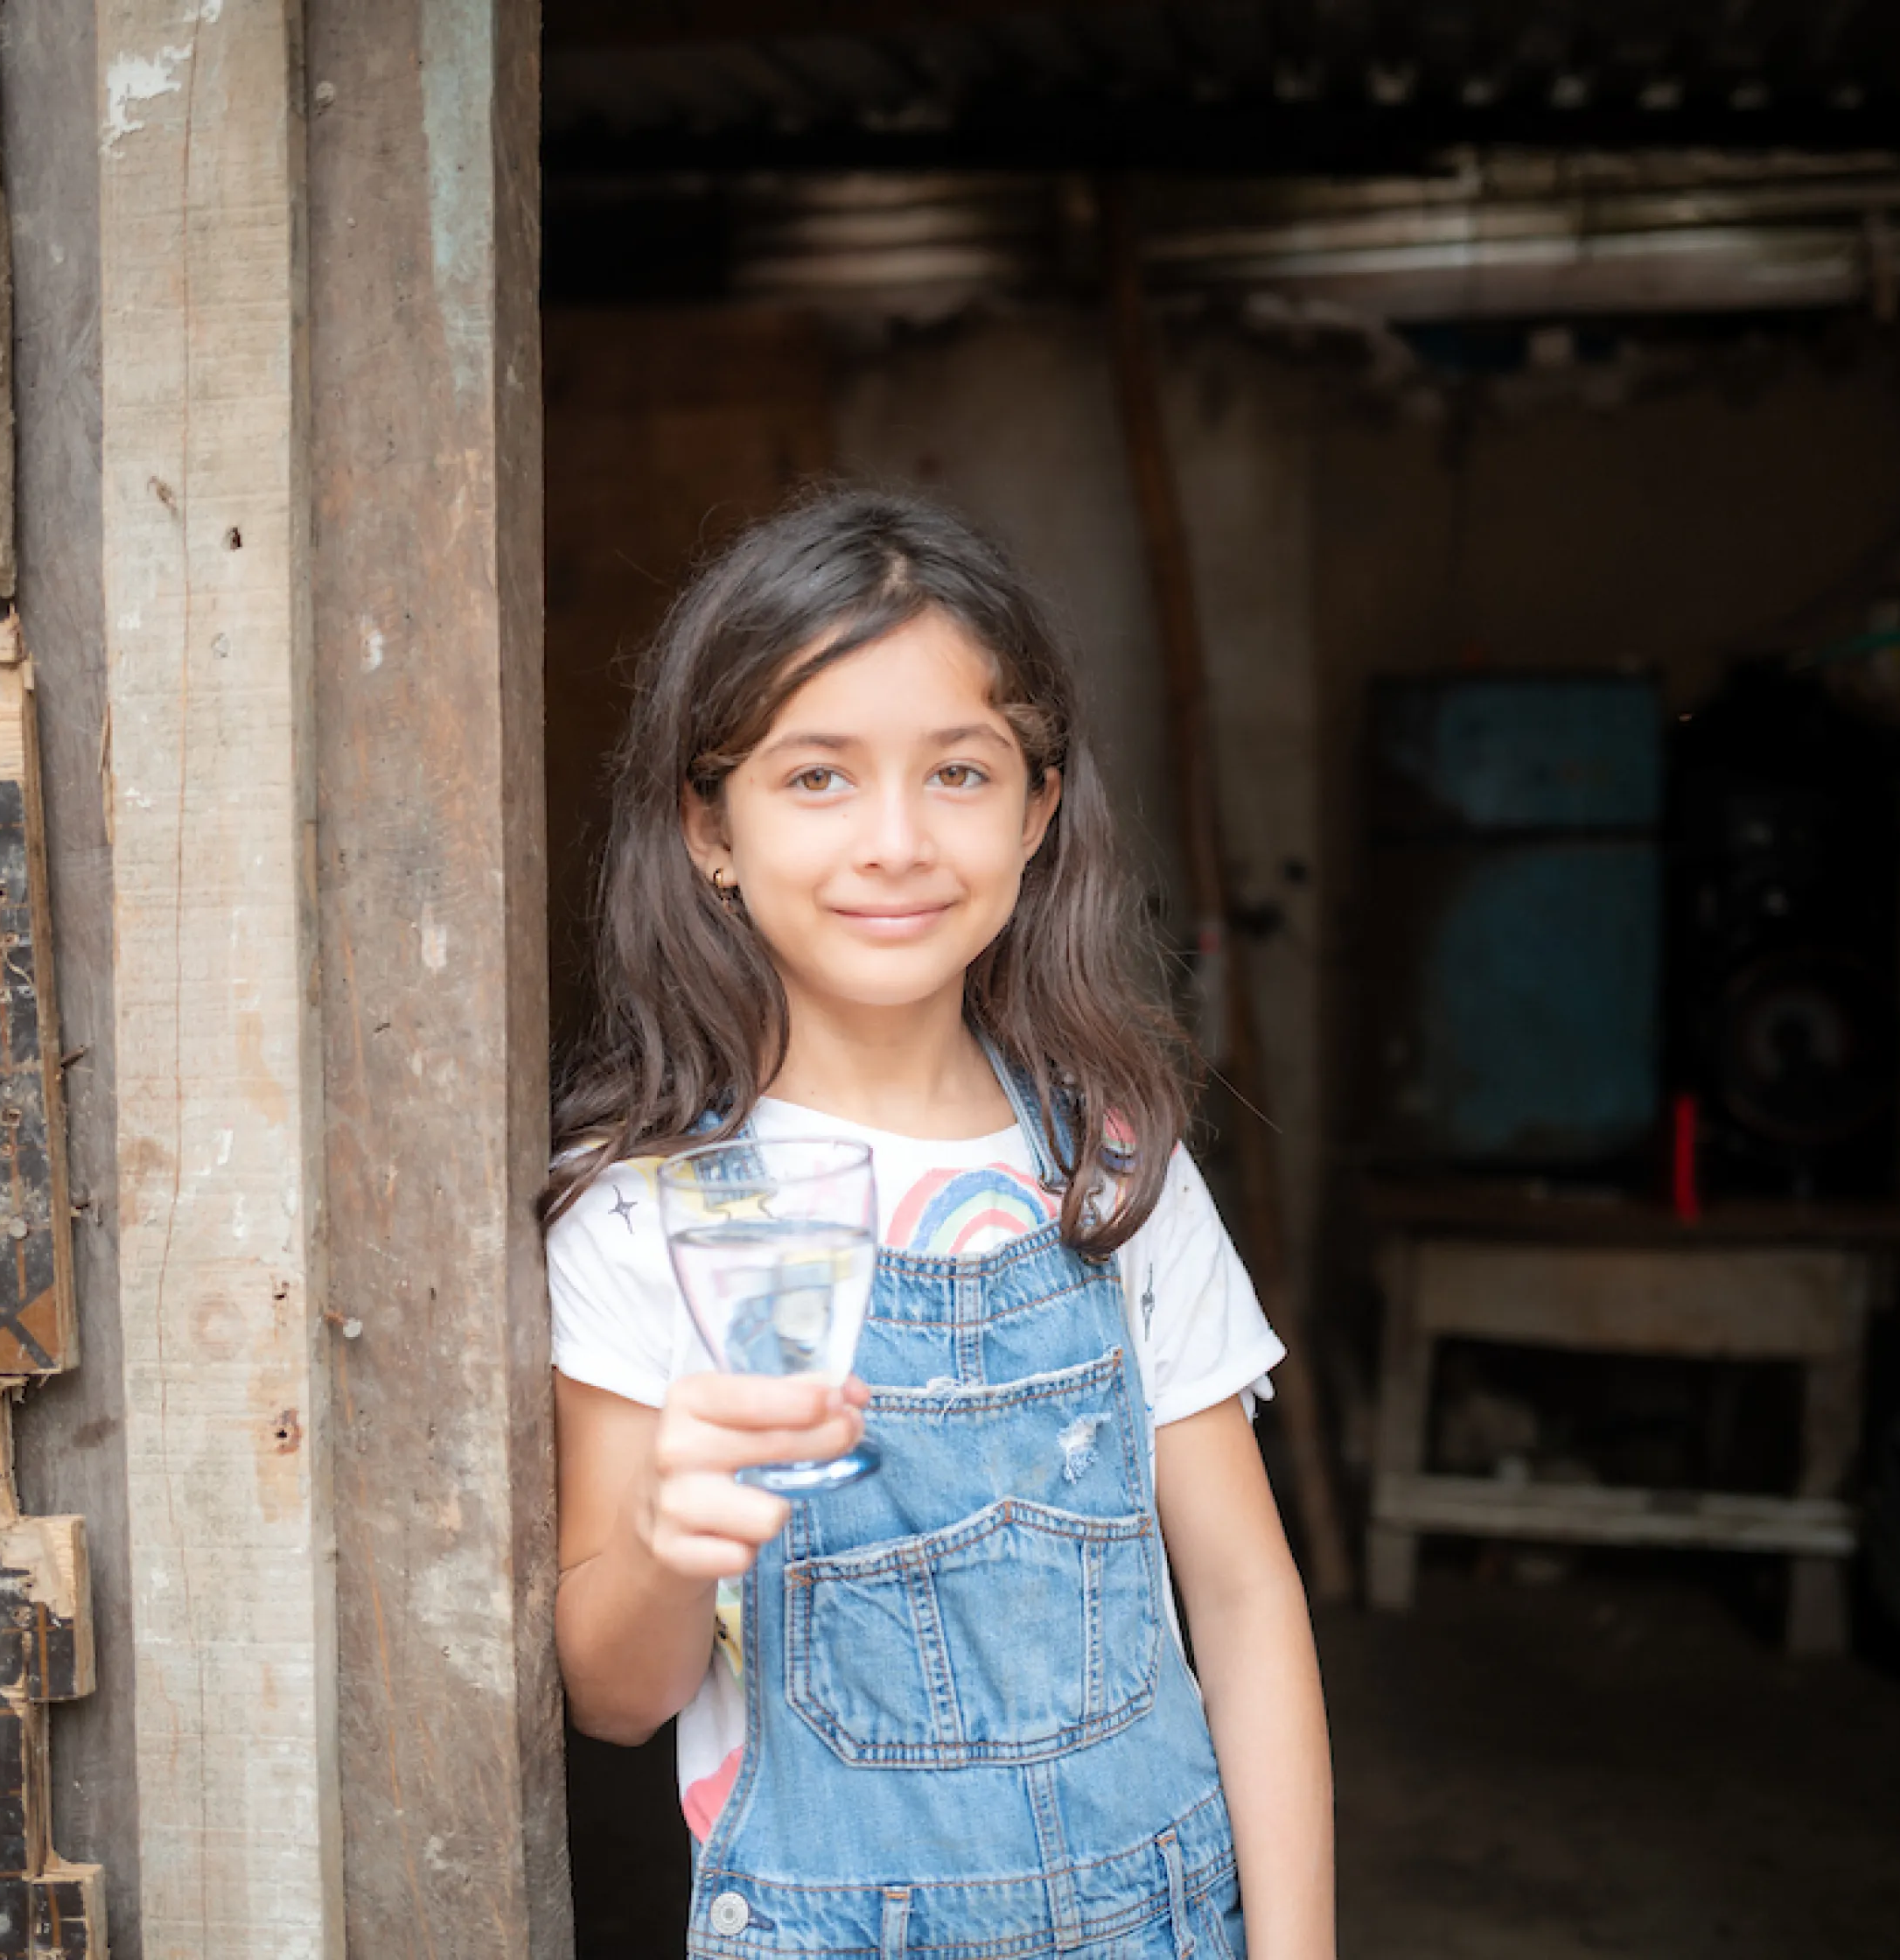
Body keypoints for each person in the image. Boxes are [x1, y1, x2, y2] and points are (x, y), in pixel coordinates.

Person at [547, 485, 1334, 1959]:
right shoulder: (640, 1201)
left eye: (959, 774)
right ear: (707, 826)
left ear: (1039, 810)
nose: (896, 841)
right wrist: (673, 1538)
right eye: (818, 778)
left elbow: (1244, 1598)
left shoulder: (1110, 1165)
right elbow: (615, 1694)